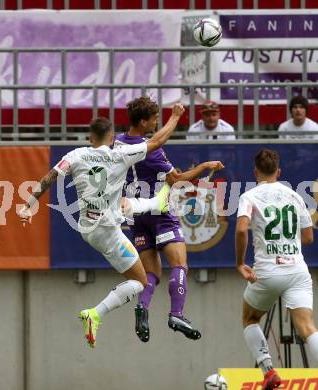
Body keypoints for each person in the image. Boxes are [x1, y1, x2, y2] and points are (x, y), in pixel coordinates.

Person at [18, 104, 185, 348]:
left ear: (90, 137)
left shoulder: (75, 155)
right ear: (111, 138)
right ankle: (94, 313)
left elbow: (49, 178)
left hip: (88, 226)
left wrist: (28, 204)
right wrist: (176, 117)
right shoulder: (120, 154)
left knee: (128, 206)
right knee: (140, 282)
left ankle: (152, 203)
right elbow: (157, 142)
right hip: (107, 232)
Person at [115, 96, 224, 343]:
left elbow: (155, 138)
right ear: (143, 121)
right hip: (160, 211)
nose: (156, 122)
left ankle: (142, 306)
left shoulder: (118, 143)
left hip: (135, 214)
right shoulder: (151, 153)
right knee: (179, 265)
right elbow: (177, 179)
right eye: (154, 118)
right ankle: (176, 314)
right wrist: (205, 165)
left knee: (151, 273)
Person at [236, 149, 318, 389]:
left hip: (267, 272)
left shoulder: (249, 197)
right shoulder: (295, 196)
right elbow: (308, 238)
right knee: (307, 326)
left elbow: (241, 229)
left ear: (255, 172)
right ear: (279, 172)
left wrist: (240, 263)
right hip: (297, 271)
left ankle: (268, 369)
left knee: (250, 317)